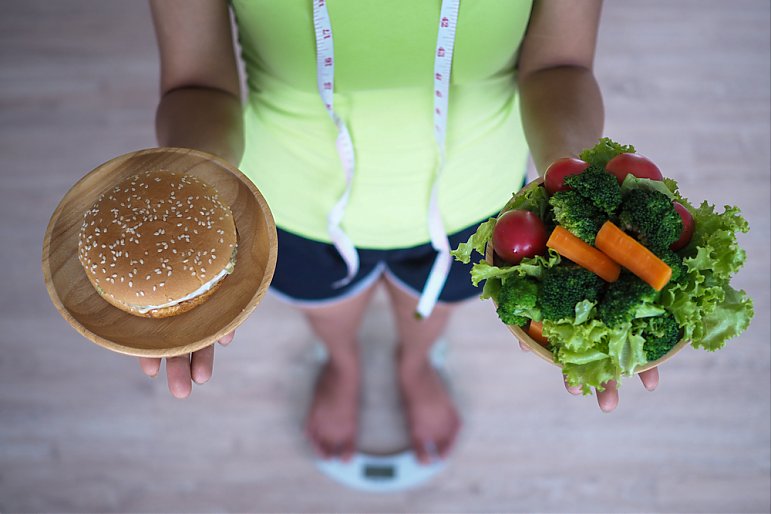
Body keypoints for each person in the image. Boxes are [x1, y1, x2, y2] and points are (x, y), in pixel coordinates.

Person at [139, 0, 659, 464]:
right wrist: (193, 195)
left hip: (480, 212)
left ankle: (415, 366)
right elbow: (196, 83)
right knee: (329, 315)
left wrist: (579, 195)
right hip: (293, 207)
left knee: (428, 316)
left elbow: (560, 64)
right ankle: (344, 365)